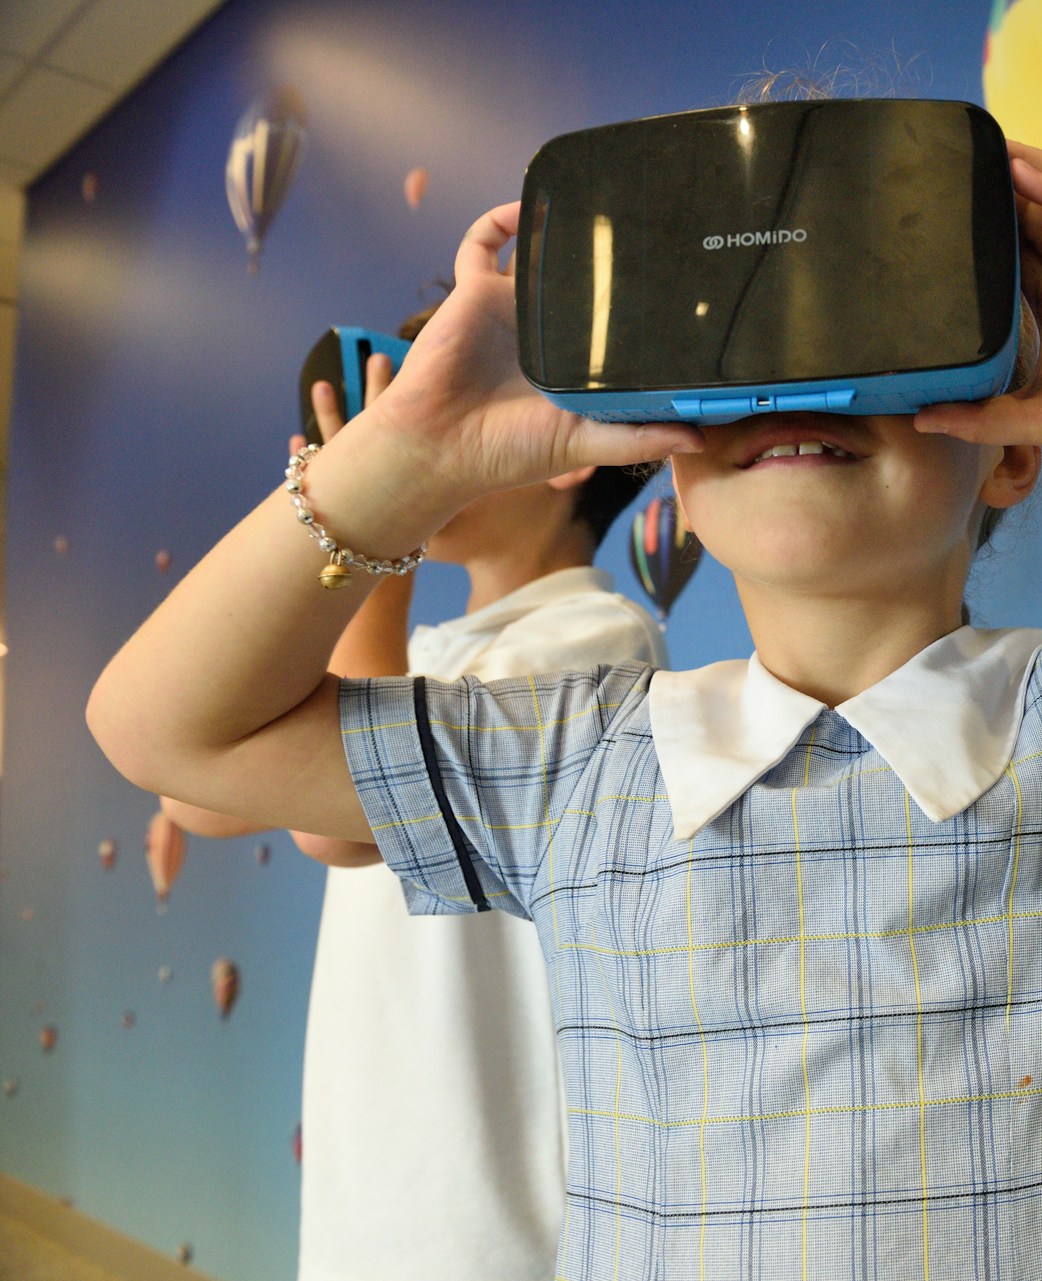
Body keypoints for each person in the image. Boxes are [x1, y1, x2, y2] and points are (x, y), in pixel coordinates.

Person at [90, 140, 1042, 1279]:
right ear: (668, 451)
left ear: (1016, 445)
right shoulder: (569, 763)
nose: (800, 398)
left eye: (869, 350)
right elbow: (170, 737)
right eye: (735, 368)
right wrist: (406, 461)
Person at [159, 303, 666, 1281]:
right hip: (371, 1197)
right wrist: (322, 525)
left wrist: (373, 535)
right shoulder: (422, 658)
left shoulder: (599, 651)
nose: (410, 436)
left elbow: (338, 836)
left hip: (489, 1222)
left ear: (562, 450)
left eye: (451, 404)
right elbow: (193, 793)